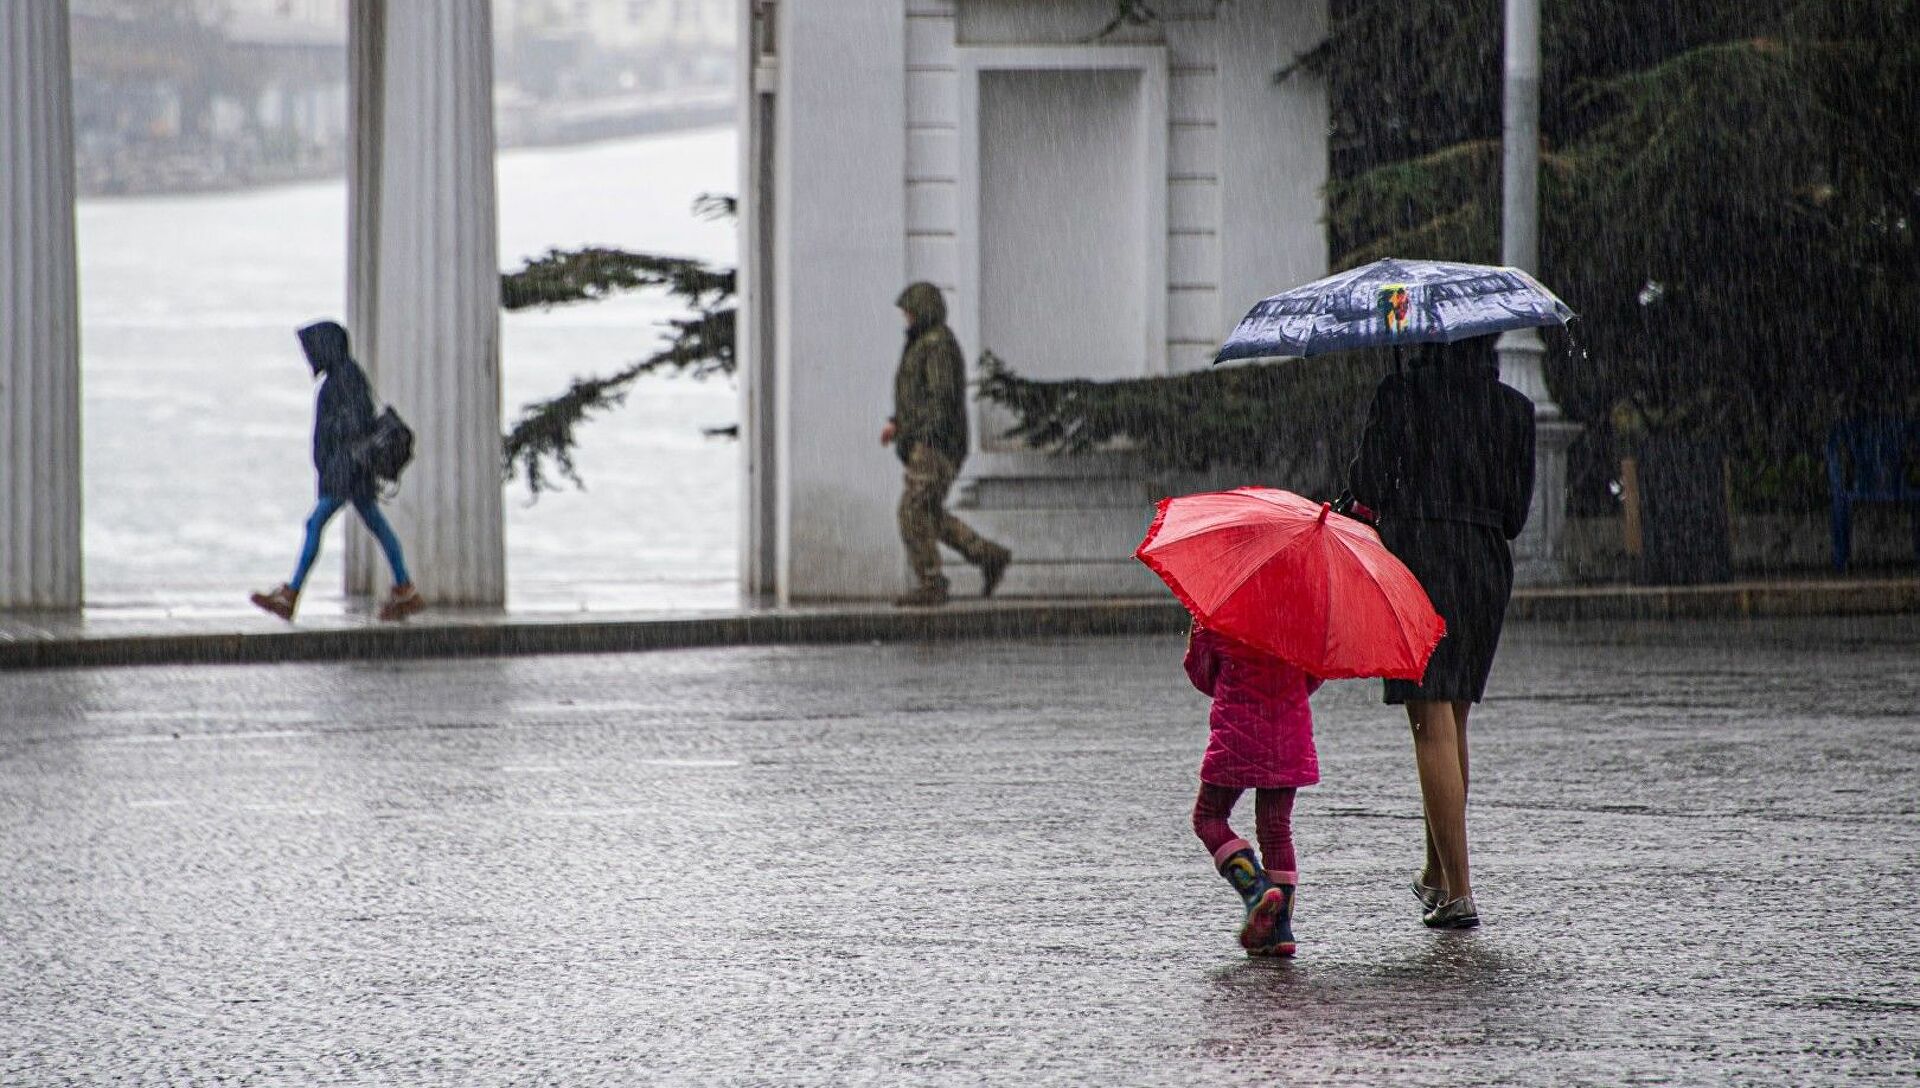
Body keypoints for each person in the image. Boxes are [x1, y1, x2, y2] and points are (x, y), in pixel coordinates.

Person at [1347, 336, 1536, 929]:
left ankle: (1459, 891)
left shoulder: (1403, 392)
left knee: (1430, 721)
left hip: (1419, 558)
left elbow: (1368, 486)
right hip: (1483, 564)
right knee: (1451, 719)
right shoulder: (1513, 409)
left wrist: (1399, 410)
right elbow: (1514, 514)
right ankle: (1437, 874)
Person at [251, 320, 424, 623]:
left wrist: (335, 456)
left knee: (315, 523)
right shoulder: (346, 376)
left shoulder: (343, 379)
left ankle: (291, 595)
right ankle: (405, 589)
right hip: (351, 469)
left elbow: (352, 425)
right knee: (377, 525)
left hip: (346, 469)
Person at [1183, 621, 1323, 957]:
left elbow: (1202, 675)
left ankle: (1256, 889)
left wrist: (1196, 632)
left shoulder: (1218, 611)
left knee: (1209, 817)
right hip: (1289, 735)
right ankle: (1279, 931)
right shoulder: (1302, 615)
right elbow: (1314, 676)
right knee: (1276, 830)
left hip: (1236, 736)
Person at [881, 282, 1012, 607]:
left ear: (922, 310)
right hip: (931, 440)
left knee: (911, 511)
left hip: (936, 443)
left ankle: (931, 582)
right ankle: (988, 556)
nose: (906, 318)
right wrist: (898, 424)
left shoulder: (937, 344)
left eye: (909, 311)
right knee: (927, 512)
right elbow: (916, 395)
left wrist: (924, 438)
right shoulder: (922, 343)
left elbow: (941, 397)